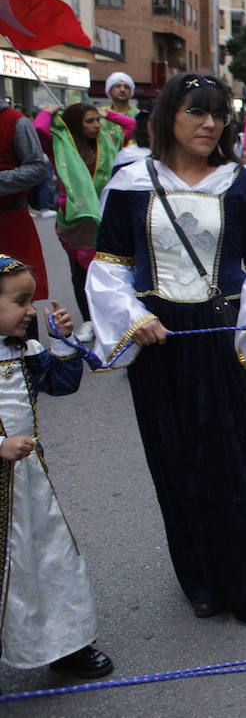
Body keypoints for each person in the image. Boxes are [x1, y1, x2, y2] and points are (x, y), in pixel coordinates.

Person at [87, 72, 246, 625]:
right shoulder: (131, 183)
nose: (209, 124)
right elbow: (109, 267)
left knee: (233, 461)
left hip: (221, 336)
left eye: (217, 114)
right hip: (159, 345)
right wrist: (133, 319)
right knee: (174, 461)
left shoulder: (243, 185)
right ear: (167, 117)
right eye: (195, 113)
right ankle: (201, 581)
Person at [0, 256, 113, 679]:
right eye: (20, 301)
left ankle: (67, 645)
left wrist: (62, 341)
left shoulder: (24, 350)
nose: (30, 310)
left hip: (30, 484)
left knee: (51, 558)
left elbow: (62, 384)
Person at [31, 102, 136, 342]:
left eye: (97, 120)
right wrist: (48, 110)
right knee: (80, 273)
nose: (97, 125)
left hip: (107, 216)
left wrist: (105, 112)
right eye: (90, 121)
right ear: (76, 124)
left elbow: (130, 125)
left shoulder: (108, 141)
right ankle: (89, 320)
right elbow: (39, 127)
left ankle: (114, 318)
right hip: (75, 221)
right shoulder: (60, 145)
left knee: (113, 268)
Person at [0, 100, 51, 310]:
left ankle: (27, 344)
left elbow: (38, 168)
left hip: (10, 224)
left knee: (18, 300)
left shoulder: (16, 122)